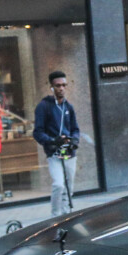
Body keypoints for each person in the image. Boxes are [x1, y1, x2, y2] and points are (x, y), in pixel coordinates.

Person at [34, 71, 80, 217]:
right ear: (52, 87)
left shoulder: (68, 107)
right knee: (59, 184)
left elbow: (75, 129)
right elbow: (37, 132)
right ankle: (55, 215)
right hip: (54, 153)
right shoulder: (44, 106)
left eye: (64, 85)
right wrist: (52, 140)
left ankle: (66, 214)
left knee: (69, 187)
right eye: (58, 85)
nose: (61, 88)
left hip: (69, 153)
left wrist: (74, 140)